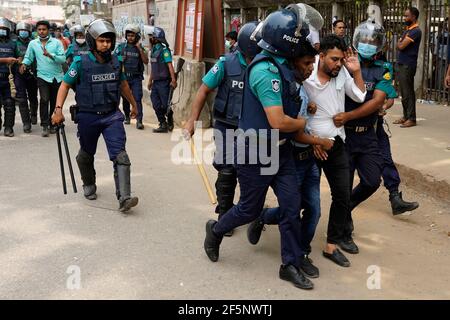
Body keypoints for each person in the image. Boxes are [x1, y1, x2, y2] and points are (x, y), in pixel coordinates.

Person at [204, 5, 324, 290]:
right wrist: (303, 121)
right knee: (248, 209)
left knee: (292, 207)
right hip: (256, 151)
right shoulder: (265, 70)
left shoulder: (284, 66)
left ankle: (290, 264)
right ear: (287, 40)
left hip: (280, 151)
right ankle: (216, 229)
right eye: (300, 35)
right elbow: (278, 120)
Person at [246, 40, 333, 279]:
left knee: (312, 210)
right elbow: (291, 129)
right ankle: (291, 254)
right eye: (306, 63)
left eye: (312, 64)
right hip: (292, 157)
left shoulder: (303, 89)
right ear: (293, 61)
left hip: (309, 160)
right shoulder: (282, 86)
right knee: (291, 210)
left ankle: (299, 254)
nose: (310, 69)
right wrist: (319, 141)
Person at [51, 19, 139, 212]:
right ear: (93, 41)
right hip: (88, 117)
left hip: (111, 116)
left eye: (108, 40)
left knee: (121, 156)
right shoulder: (80, 62)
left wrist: (134, 104)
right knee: (86, 154)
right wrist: (58, 110)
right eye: (101, 40)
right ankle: (88, 183)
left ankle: (124, 197)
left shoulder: (116, 61)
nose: (106, 44)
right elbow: (65, 85)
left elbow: (123, 85)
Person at [184, 22, 262, 237]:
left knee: (253, 171)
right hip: (227, 126)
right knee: (228, 169)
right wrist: (192, 121)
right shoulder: (226, 63)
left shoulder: (265, 65)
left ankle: (247, 210)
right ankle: (226, 214)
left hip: (253, 130)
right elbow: (203, 90)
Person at [332, 19, 397, 254]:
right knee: (344, 184)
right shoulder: (344, 61)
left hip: (368, 134)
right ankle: (343, 233)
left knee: (371, 181)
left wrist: (349, 116)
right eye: (365, 40)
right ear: (357, 40)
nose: (369, 44)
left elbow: (379, 101)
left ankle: (344, 209)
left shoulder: (384, 68)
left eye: (373, 41)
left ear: (379, 44)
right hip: (344, 136)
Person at [302, 34, 366, 267]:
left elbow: (359, 96)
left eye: (341, 60)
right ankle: (298, 245)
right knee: (307, 202)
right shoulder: (305, 74)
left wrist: (356, 71)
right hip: (309, 145)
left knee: (342, 196)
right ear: (322, 56)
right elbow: (295, 109)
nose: (338, 64)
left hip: (336, 144)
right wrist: (314, 140)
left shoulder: (342, 73)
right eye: (334, 59)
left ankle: (331, 245)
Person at [20, 20, 65, 137]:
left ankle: (53, 124)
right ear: (36, 31)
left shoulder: (57, 43)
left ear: (48, 30)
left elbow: (62, 59)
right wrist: (24, 64)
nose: (41, 31)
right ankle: (45, 125)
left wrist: (51, 55)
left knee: (54, 101)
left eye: (44, 29)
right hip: (42, 76)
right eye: (39, 29)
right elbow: (28, 57)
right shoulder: (33, 44)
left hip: (57, 77)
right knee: (44, 99)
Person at [378, 97, 419, 215]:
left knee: (387, 160)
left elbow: (390, 97)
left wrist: (383, 107)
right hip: (354, 130)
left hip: (377, 127)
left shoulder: (382, 78)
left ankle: (395, 197)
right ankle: (345, 209)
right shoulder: (347, 78)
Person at [115, 24, 148, 129]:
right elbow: (114, 59)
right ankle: (127, 116)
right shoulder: (121, 47)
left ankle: (139, 120)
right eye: (128, 35)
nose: (130, 37)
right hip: (124, 78)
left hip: (136, 78)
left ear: (137, 36)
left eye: (132, 35)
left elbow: (146, 61)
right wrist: (121, 58)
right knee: (125, 98)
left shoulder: (140, 47)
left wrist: (139, 49)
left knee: (137, 98)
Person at [394, 7, 422, 128]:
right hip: (402, 63)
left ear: (414, 17)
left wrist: (400, 44)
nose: (404, 18)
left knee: (408, 92)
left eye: (407, 16)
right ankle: (406, 116)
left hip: (408, 65)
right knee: (403, 92)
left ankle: (412, 118)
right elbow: (398, 45)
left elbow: (401, 46)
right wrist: (400, 44)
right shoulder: (407, 31)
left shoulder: (416, 31)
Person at [147, 27, 177, 133]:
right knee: (155, 104)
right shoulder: (153, 50)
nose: (150, 38)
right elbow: (153, 67)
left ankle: (169, 117)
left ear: (157, 38)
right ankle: (162, 123)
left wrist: (173, 80)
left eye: (152, 37)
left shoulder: (164, 50)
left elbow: (170, 65)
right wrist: (150, 80)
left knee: (165, 104)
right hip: (155, 82)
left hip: (164, 82)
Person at [15, 21, 38, 132]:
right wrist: (17, 61)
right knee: (22, 99)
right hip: (19, 74)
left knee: (33, 96)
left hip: (32, 73)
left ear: (29, 32)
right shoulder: (14, 42)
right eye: (21, 31)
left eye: (25, 31)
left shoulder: (34, 42)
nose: (23, 32)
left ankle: (33, 114)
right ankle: (26, 123)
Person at [0, 17, 19, 137]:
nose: (2, 31)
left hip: (9, 79)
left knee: (9, 104)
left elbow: (19, 57)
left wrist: (19, 61)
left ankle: (8, 127)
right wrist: (5, 60)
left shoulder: (13, 44)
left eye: (4, 29)